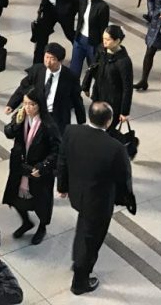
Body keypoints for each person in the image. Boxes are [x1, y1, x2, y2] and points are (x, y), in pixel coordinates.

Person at [57, 101, 135, 296]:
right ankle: (80, 280)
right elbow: (123, 177)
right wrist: (125, 199)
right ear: (108, 121)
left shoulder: (71, 132)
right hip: (98, 202)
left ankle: (78, 263)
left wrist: (62, 186)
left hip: (78, 194)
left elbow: (63, 160)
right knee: (91, 238)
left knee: (84, 229)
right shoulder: (115, 147)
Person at [2, 87, 60, 246]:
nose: (27, 107)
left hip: (38, 170)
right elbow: (8, 132)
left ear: (39, 105)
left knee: (41, 202)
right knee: (15, 197)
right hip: (20, 166)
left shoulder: (48, 125)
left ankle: (42, 227)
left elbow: (57, 150)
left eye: (31, 104)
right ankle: (26, 222)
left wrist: (42, 167)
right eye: (25, 103)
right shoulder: (20, 116)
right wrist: (17, 123)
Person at [5, 42, 86, 136]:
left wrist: (81, 121)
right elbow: (23, 87)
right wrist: (11, 104)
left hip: (57, 116)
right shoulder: (37, 70)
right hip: (37, 112)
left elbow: (77, 99)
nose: (48, 61)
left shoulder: (70, 77)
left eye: (52, 59)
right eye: (46, 57)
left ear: (60, 61)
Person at [82, 25, 133, 133]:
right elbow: (93, 66)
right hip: (98, 95)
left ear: (117, 41)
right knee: (94, 127)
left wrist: (124, 112)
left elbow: (127, 88)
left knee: (107, 131)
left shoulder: (124, 61)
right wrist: (86, 84)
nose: (104, 42)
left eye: (108, 39)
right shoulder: (101, 49)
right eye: (103, 38)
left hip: (113, 102)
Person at [70, 0, 110, 80]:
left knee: (95, 70)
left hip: (94, 43)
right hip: (79, 39)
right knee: (74, 69)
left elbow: (103, 28)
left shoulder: (102, 6)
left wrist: (103, 46)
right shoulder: (82, 0)